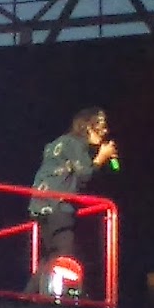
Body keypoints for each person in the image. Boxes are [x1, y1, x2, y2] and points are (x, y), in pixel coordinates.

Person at [25, 107, 117, 295]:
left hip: (41, 205)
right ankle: (60, 299)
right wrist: (102, 157)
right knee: (66, 255)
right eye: (101, 126)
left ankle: (26, 298)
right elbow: (85, 174)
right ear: (88, 127)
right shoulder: (75, 143)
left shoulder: (59, 143)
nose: (105, 131)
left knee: (51, 256)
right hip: (58, 206)